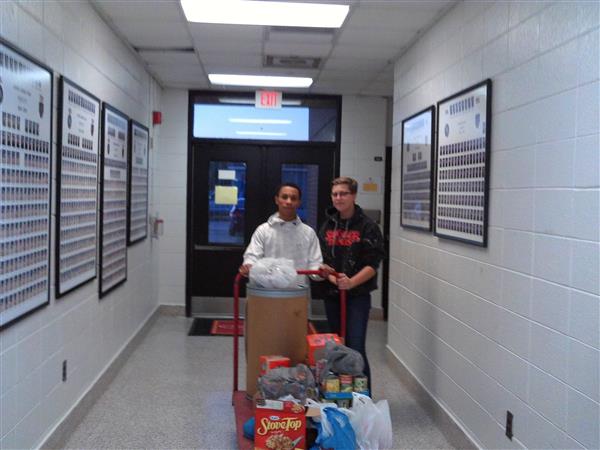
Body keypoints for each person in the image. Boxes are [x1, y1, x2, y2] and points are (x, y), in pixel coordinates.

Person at [318, 177, 384, 391]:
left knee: (356, 347)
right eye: (335, 194)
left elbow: (373, 264)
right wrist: (333, 279)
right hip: (332, 295)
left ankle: (363, 398)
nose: (339, 198)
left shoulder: (368, 226)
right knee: (337, 348)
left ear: (353, 195)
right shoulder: (328, 225)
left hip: (357, 297)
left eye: (343, 193)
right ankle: (340, 396)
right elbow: (322, 262)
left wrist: (351, 283)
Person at [239, 183, 323, 287]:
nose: (288, 202)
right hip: (267, 293)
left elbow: (315, 266)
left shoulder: (308, 233)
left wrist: (321, 271)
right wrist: (248, 266)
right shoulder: (263, 230)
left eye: (293, 198)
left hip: (298, 294)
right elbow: (252, 257)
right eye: (284, 197)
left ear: (299, 203)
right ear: (276, 200)